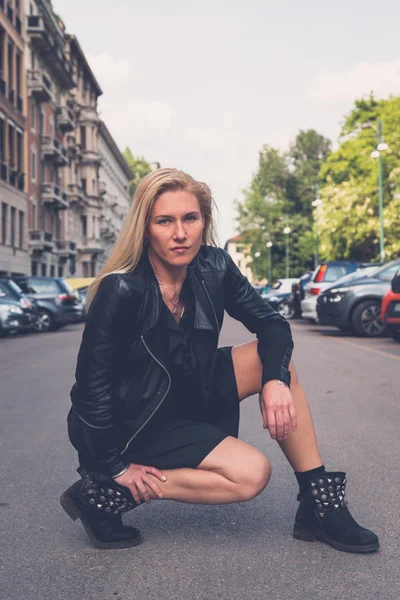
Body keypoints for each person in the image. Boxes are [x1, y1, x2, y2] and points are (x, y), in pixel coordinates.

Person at [61, 168, 379, 553]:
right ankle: (109, 492)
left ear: (203, 222)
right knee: (250, 475)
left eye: (190, 219)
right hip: (139, 420)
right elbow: (91, 390)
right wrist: (115, 465)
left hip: (194, 392)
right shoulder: (122, 288)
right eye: (165, 221)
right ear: (145, 228)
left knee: (276, 362)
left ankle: (319, 505)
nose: (180, 233)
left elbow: (272, 325)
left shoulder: (215, 265)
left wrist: (275, 380)